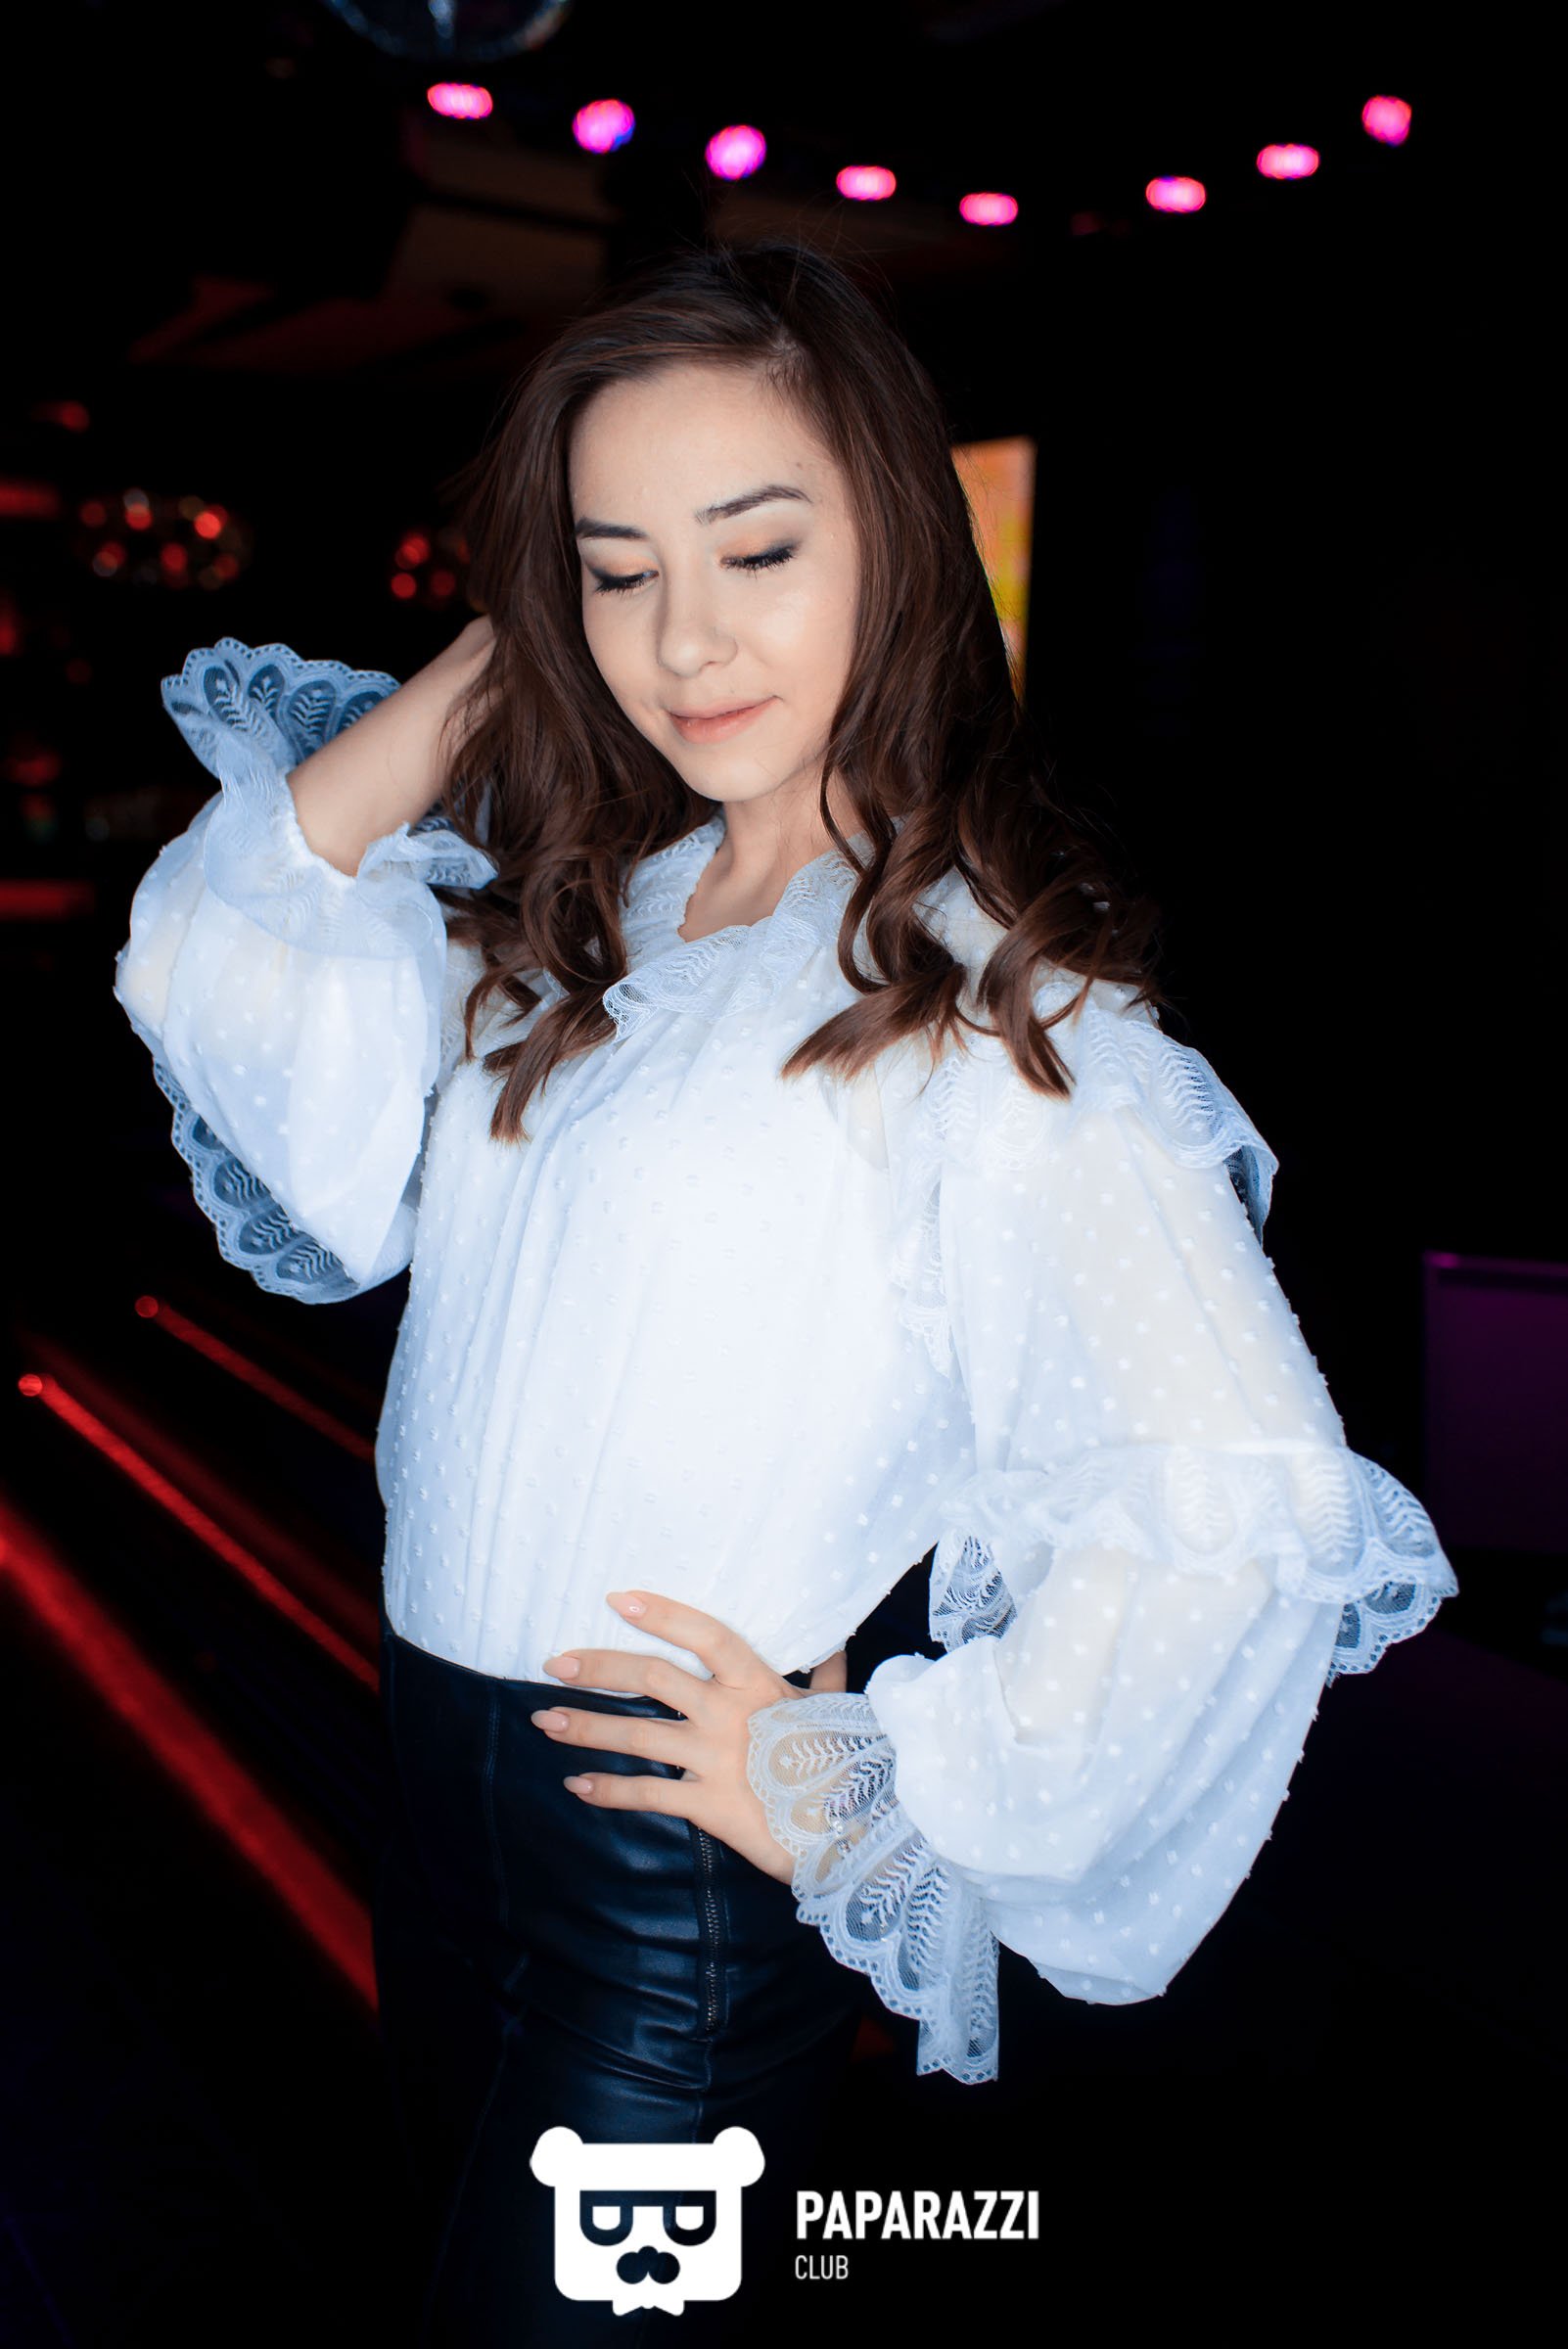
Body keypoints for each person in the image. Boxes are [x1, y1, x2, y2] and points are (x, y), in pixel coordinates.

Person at [111, 239, 1458, 2343]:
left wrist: (870, 1787)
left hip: (665, 1903)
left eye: (755, 548)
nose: (685, 637)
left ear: (895, 549)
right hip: (432, 1828)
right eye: (617, 570)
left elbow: (1231, 1482)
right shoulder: (601, 920)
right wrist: (505, 653)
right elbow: (221, 948)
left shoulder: (985, 998)